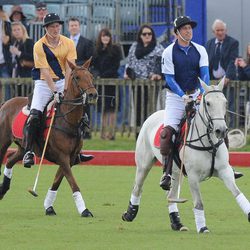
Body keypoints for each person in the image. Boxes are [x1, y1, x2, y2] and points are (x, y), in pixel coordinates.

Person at [160, 16, 242, 192]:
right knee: (167, 133)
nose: (188, 31)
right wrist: (183, 96)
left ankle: (227, 165)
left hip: (197, 94)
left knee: (219, 126)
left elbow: (204, 74)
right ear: (177, 32)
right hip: (175, 98)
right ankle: (166, 172)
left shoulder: (200, 50)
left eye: (190, 28)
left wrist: (202, 94)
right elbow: (169, 78)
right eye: (184, 29)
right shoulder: (168, 52)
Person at [22, 13, 92, 167]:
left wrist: (66, 88)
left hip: (62, 81)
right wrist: (54, 91)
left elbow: (69, 68)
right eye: (52, 26)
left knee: (79, 110)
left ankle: (77, 150)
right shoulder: (39, 45)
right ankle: (28, 151)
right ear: (46, 28)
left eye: (57, 25)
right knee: (34, 115)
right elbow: (45, 71)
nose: (55, 28)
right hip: (43, 83)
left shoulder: (68, 43)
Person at [124, 24, 164, 138]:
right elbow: (130, 63)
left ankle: (149, 136)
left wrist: (158, 74)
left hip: (151, 84)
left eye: (149, 34)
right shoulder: (134, 46)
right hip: (136, 84)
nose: (147, 36)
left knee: (150, 110)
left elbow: (161, 63)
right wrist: (128, 73)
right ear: (140, 36)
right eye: (144, 34)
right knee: (137, 109)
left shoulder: (158, 47)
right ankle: (138, 136)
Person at [206, 19, 239, 128]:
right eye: (217, 30)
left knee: (229, 105)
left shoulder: (233, 43)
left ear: (226, 30)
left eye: (222, 30)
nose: (220, 32)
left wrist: (227, 77)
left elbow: (232, 60)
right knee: (214, 106)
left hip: (228, 81)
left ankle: (232, 129)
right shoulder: (209, 44)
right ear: (213, 31)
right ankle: (214, 128)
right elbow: (206, 62)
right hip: (213, 81)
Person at [92, 28, 122, 140]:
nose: (105, 38)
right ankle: (103, 133)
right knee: (103, 109)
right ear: (100, 37)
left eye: (107, 36)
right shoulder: (96, 50)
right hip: (100, 84)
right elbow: (94, 66)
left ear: (110, 38)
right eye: (103, 36)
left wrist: (103, 75)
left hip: (112, 82)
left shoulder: (116, 49)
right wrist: (97, 75)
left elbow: (116, 66)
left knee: (112, 109)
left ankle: (111, 132)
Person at [68, 17, 94, 139]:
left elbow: (90, 60)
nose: (73, 27)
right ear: (68, 27)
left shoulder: (87, 42)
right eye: (71, 25)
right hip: (68, 76)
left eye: (75, 25)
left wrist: (76, 67)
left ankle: (85, 129)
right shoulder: (64, 42)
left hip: (81, 77)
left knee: (85, 103)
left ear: (79, 27)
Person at [0, 6, 12, 101]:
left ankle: (6, 103)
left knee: (7, 84)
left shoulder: (6, 24)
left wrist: (5, 22)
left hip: (3, 61)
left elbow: (6, 41)